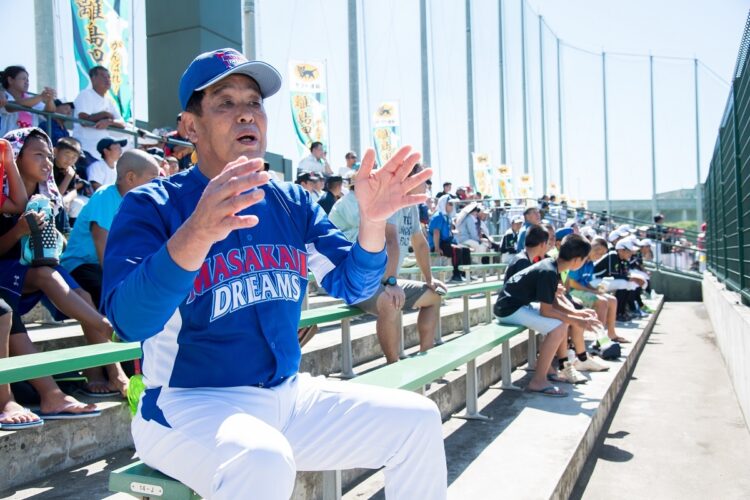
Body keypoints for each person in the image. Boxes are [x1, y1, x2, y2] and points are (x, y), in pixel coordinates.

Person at [101, 48, 447, 499]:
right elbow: (129, 321)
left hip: (287, 397)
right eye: (225, 103)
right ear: (190, 127)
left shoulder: (292, 202)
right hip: (186, 404)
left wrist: (371, 224)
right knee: (261, 460)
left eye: (254, 102)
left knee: (416, 421)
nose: (246, 115)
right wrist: (197, 232)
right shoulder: (153, 205)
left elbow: (356, 286)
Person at [1, 127, 128, 397]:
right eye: (38, 155)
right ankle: (105, 326)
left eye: (49, 156)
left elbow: (57, 241)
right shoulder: (3, 193)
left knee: (82, 293)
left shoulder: (49, 196)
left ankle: (113, 373)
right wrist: (19, 231)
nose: (47, 162)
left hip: (39, 266)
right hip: (9, 268)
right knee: (47, 275)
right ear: (15, 157)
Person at [353, 164, 445, 363]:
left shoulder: (410, 206)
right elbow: (391, 241)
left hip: (386, 280)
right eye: (423, 181)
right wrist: (391, 282)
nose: (427, 186)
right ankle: (393, 365)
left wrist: (429, 279)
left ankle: (424, 358)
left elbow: (420, 244)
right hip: (362, 282)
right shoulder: (389, 199)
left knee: (435, 295)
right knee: (390, 301)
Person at [495, 234, 602, 396]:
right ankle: (538, 381)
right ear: (576, 260)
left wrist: (577, 313)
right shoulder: (549, 271)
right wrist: (576, 319)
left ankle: (548, 369)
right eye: (584, 259)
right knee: (558, 328)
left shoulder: (552, 266)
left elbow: (553, 303)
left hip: (516, 305)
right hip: (508, 309)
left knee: (562, 323)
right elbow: (547, 311)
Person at [62, 150, 160, 309]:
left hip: (105, 266)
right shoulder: (106, 195)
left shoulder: (138, 205)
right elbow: (101, 242)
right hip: (81, 264)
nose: (157, 185)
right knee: (105, 298)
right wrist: (119, 282)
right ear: (130, 177)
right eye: (153, 179)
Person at [567, 239, 628, 344]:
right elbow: (572, 283)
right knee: (602, 301)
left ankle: (611, 334)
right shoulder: (579, 259)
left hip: (582, 290)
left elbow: (586, 282)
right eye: (597, 250)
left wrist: (596, 290)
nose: (598, 254)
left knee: (613, 300)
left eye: (602, 254)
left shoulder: (590, 264)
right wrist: (592, 291)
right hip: (572, 291)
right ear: (589, 247)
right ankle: (600, 339)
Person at [72, 66, 127, 164]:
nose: (107, 79)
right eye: (103, 76)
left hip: (102, 155)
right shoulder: (85, 95)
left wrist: (109, 121)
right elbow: (84, 120)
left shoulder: (109, 101)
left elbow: (122, 123)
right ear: (93, 79)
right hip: (85, 150)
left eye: (108, 77)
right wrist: (104, 114)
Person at [0, 66, 57, 137]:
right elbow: (10, 107)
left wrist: (49, 100)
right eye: (24, 79)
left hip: (28, 144)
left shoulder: (32, 99)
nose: (27, 82)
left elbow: (50, 112)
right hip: (8, 143)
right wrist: (41, 97)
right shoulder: (3, 95)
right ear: (10, 80)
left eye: (28, 80)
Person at [429, 195, 471, 283]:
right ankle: (455, 274)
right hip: (438, 244)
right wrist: (437, 248)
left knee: (466, 250)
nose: (452, 206)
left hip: (445, 243)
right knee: (456, 250)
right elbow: (436, 232)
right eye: (450, 204)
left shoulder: (447, 217)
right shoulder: (438, 216)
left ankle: (464, 274)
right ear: (444, 204)